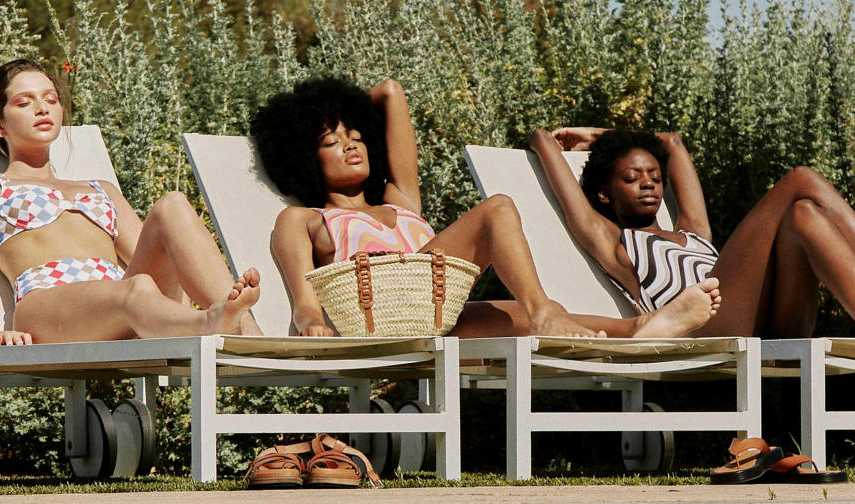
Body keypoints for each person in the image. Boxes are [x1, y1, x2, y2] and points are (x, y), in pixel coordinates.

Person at [249, 76, 721, 339]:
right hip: (381, 315)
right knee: (497, 209)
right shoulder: (316, 220)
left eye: (357, 137)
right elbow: (294, 264)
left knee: (543, 315)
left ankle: (646, 328)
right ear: (302, 160)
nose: (352, 147)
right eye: (332, 143)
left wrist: (341, 112)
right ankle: (543, 313)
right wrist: (308, 313)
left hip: (443, 315)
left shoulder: (398, 199)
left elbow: (390, 91)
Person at [0, 59, 262, 345]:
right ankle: (208, 323)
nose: (42, 109)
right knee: (136, 288)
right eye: (24, 103)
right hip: (49, 307)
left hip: (121, 304)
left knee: (172, 204)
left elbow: (164, 261)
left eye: (51, 99)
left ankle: (252, 337)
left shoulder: (101, 189)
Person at [529, 127, 855, 338]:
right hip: (708, 329)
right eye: (631, 178)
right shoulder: (615, 244)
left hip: (769, 322)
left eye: (653, 176)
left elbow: (673, 142)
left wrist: (608, 134)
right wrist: (568, 142)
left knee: (804, 213)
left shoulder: (693, 231)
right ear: (605, 194)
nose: (648, 182)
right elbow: (540, 138)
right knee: (801, 179)